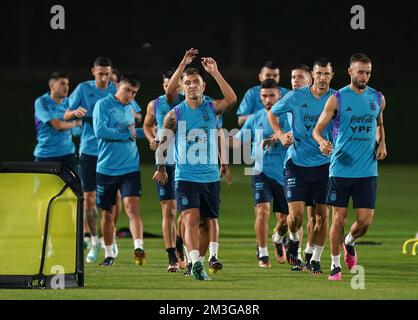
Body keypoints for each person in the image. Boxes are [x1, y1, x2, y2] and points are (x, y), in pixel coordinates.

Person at [153, 52, 237, 280]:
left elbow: (231, 99)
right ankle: (196, 263)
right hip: (185, 176)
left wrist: (215, 72)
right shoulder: (174, 114)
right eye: (187, 83)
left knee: (204, 223)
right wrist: (161, 168)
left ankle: (195, 260)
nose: (191, 86)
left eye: (196, 82)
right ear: (181, 87)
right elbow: (163, 142)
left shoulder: (211, 107)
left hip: (209, 177)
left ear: (203, 86)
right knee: (189, 218)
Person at [312, 53, 387, 281]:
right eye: (360, 71)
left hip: (367, 170)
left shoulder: (378, 98)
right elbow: (316, 130)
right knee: (338, 219)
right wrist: (322, 141)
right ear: (350, 72)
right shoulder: (337, 99)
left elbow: (379, 124)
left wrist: (382, 142)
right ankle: (335, 266)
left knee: (364, 222)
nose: (364, 76)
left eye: (368, 72)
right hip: (341, 169)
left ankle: (349, 242)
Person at [268, 57, 335, 275]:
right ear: (313, 76)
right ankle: (286, 241)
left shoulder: (336, 99)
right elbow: (272, 114)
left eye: (327, 74)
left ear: (331, 76)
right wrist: (279, 134)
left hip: (324, 166)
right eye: (319, 73)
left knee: (322, 216)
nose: (323, 78)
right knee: (295, 217)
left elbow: (344, 126)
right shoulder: (296, 97)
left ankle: (314, 259)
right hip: (296, 163)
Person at [64, 57, 119, 263]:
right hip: (89, 151)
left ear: (111, 73)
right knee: (88, 198)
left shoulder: (116, 90)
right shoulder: (82, 89)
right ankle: (95, 241)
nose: (104, 78)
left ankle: (110, 240)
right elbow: (66, 113)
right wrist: (75, 113)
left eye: (107, 74)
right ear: (93, 72)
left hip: (112, 152)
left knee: (113, 201)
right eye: (100, 74)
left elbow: (135, 114)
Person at [233, 79, 289, 267]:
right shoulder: (255, 118)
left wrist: (275, 137)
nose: (268, 99)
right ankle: (263, 253)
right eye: (264, 96)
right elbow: (238, 140)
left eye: (271, 95)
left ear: (279, 95)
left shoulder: (288, 116)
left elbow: (292, 136)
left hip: (284, 173)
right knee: (262, 211)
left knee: (286, 220)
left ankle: (278, 239)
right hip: (260, 171)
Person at [92, 73, 146, 267]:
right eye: (127, 90)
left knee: (132, 207)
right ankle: (109, 253)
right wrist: (129, 133)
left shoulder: (131, 107)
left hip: (130, 166)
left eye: (133, 92)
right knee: (108, 213)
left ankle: (138, 247)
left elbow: (134, 133)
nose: (130, 95)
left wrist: (148, 133)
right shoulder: (103, 105)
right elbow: (101, 131)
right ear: (117, 87)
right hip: (106, 168)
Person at [143, 66, 189, 272]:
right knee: (168, 210)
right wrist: (151, 138)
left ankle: (180, 242)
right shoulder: (154, 104)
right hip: (164, 161)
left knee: (185, 211)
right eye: (166, 83)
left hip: (186, 163)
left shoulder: (187, 102)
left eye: (175, 83)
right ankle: (172, 256)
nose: (170, 87)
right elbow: (146, 125)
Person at [34, 71, 81, 172]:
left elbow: (76, 131)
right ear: (52, 85)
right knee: (43, 188)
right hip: (46, 156)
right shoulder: (42, 102)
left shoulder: (70, 102)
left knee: (75, 187)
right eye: (62, 83)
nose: (66, 87)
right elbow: (57, 125)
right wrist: (76, 123)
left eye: (67, 84)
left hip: (68, 155)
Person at [236, 61, 290, 127]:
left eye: (275, 76)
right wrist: (262, 116)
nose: (271, 78)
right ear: (260, 77)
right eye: (268, 75)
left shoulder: (288, 94)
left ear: (279, 95)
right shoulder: (252, 93)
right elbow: (240, 120)